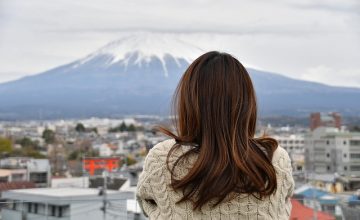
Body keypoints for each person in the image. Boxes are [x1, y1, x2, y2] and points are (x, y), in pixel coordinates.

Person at [136, 51, 294, 219]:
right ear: (247, 103)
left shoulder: (165, 158)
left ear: (189, 101)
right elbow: (282, 208)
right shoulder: (273, 159)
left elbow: (147, 203)